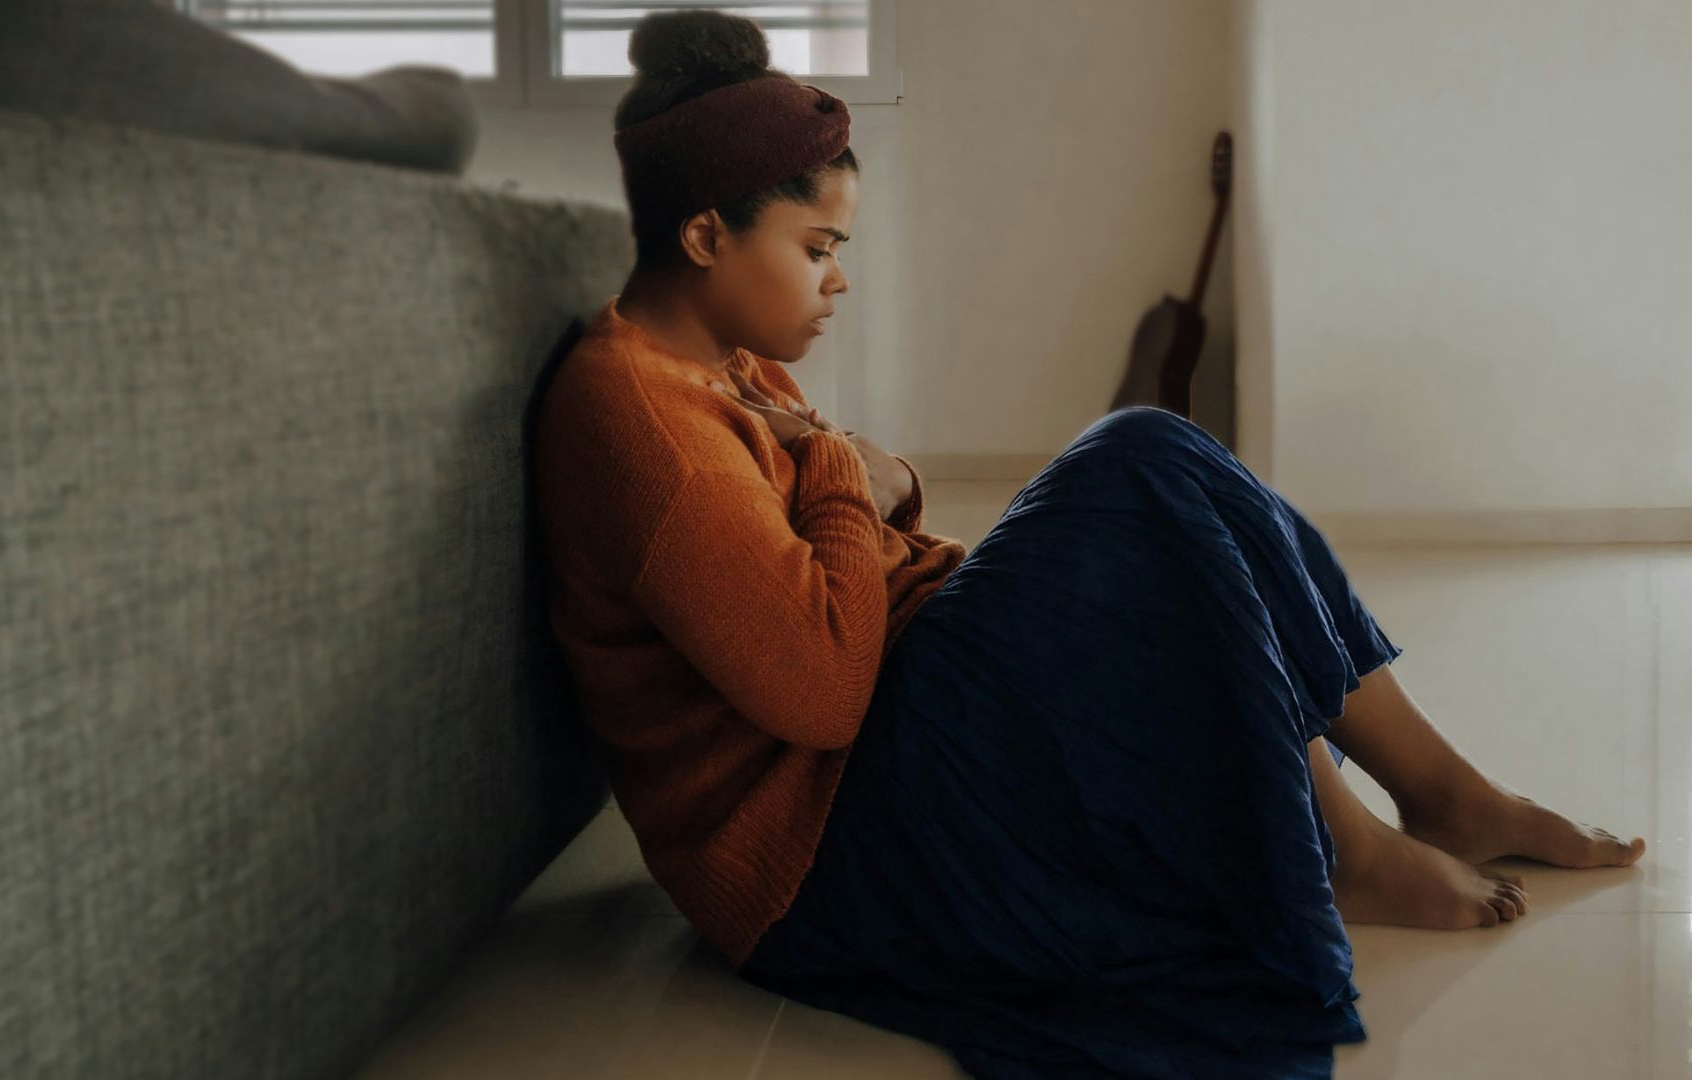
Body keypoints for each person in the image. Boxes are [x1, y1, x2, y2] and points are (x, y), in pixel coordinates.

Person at [530, 11, 1646, 1078]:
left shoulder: (723, 359)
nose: (839, 278)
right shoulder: (639, 420)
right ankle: (1340, 848)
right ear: (704, 234)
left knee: (1155, 464)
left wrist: (895, 481)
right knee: (1138, 466)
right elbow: (820, 690)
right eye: (818, 246)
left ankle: (1442, 791)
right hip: (822, 851)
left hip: (884, 736)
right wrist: (838, 468)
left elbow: (855, 531)